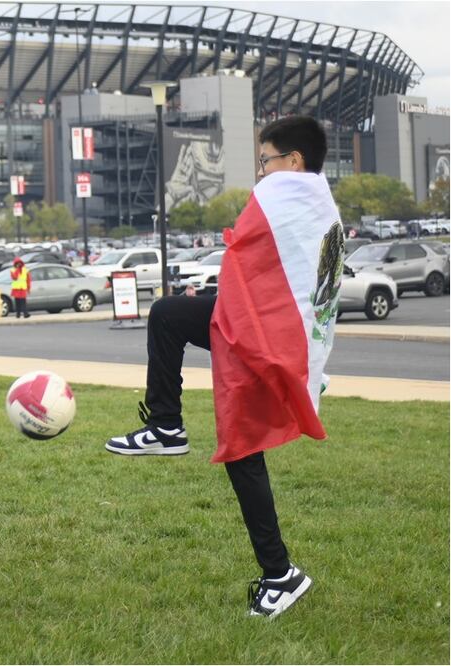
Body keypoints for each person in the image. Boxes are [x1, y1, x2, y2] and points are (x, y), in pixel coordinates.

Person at [105, 116, 343, 618]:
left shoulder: (284, 196)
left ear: (291, 162)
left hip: (265, 340)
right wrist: (217, 296)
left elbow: (260, 265)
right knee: (170, 315)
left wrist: (225, 296)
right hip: (264, 328)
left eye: (266, 160)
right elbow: (265, 271)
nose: (262, 171)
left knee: (243, 447)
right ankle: (167, 425)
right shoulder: (320, 202)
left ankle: (281, 574)